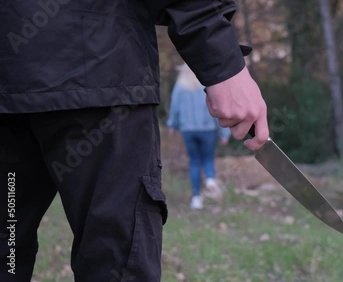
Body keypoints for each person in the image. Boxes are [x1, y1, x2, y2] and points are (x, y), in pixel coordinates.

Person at [0, 1, 268, 281]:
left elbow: (176, 109)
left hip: (81, 74)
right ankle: (205, 186)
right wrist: (221, 57)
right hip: (102, 67)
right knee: (116, 265)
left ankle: (201, 191)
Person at [167, 63, 229, 209]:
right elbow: (216, 107)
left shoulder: (180, 85)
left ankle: (196, 199)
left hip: (187, 129)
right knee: (208, 158)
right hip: (207, 128)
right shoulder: (207, 84)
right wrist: (224, 132)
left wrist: (172, 125)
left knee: (194, 161)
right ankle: (210, 178)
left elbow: (175, 106)